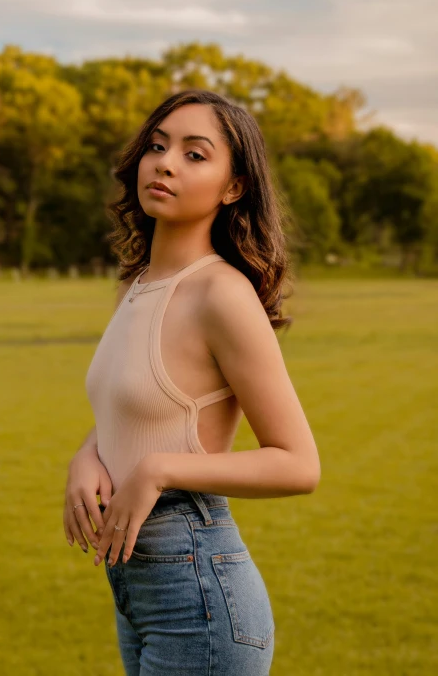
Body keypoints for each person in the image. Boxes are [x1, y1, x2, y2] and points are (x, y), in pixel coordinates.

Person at [63, 88, 321, 674]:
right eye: (158, 146)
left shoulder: (220, 294)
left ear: (234, 188)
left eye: (195, 154)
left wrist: (160, 468)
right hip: (140, 588)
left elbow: (298, 463)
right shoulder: (138, 286)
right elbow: (138, 409)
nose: (166, 162)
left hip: (197, 589)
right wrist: (87, 455)